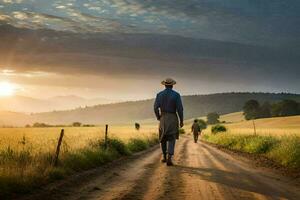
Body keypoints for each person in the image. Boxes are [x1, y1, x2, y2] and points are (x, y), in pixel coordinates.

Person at [154, 78, 184, 166]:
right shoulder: (176, 95)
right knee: (171, 138)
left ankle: (164, 156)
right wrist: (181, 120)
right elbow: (180, 109)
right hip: (172, 117)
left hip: (163, 118)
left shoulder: (159, 95)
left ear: (164, 85)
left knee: (163, 138)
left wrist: (158, 117)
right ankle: (169, 158)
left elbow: (155, 108)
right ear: (172, 85)